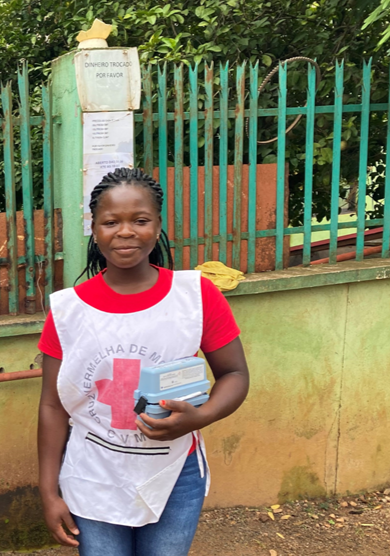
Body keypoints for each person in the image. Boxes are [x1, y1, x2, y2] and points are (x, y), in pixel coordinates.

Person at [36, 168, 250, 556]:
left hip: (174, 473)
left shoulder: (196, 295)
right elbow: (52, 405)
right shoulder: (68, 310)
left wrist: (200, 417)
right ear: (95, 228)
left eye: (140, 220)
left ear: (158, 225)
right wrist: (48, 491)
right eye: (111, 221)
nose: (126, 232)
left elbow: (234, 374)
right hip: (93, 473)